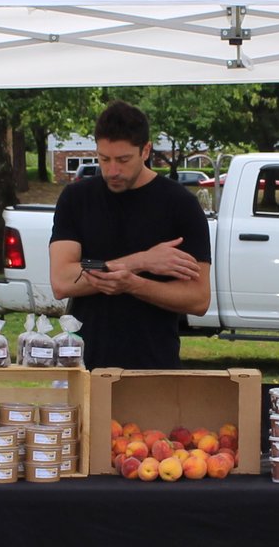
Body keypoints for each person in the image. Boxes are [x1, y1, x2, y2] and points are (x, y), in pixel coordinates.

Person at [47, 99, 212, 369]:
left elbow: (199, 298)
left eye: (123, 160)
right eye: (104, 159)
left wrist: (135, 285)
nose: (112, 171)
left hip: (155, 367)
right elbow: (63, 280)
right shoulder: (77, 199)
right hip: (84, 367)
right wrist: (141, 262)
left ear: (145, 150)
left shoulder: (180, 205)